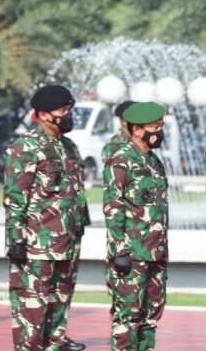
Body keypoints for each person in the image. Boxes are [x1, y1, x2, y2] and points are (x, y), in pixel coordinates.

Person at [4, 85, 88, 350]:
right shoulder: (25, 146)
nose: (68, 114)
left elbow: (76, 190)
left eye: (69, 109)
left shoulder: (68, 146)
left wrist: (80, 225)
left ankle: (54, 343)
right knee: (32, 306)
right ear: (42, 114)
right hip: (37, 244)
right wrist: (16, 240)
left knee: (60, 302)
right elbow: (15, 198)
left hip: (68, 241)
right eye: (63, 110)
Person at [103, 102, 168, 351]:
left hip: (156, 252)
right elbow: (113, 208)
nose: (159, 131)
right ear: (138, 130)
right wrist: (119, 251)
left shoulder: (154, 162)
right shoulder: (121, 161)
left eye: (161, 126)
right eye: (155, 127)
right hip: (131, 255)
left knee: (151, 315)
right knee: (128, 316)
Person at [101, 100, 135, 316]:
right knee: (121, 274)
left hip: (144, 227)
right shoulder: (115, 148)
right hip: (123, 223)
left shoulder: (141, 147)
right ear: (124, 121)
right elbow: (114, 195)